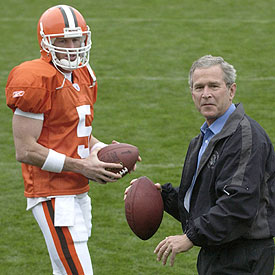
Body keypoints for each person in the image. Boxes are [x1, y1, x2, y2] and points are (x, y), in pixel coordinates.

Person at [126, 55, 275, 274]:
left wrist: (190, 237)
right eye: (199, 87)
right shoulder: (203, 139)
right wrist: (162, 196)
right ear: (192, 94)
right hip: (217, 252)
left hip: (244, 257)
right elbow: (205, 202)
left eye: (214, 86)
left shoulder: (245, 137)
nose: (206, 94)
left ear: (231, 90)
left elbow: (238, 204)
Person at [5, 5, 126, 275]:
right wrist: (84, 166)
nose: (72, 46)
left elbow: (75, 130)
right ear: (47, 43)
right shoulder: (37, 78)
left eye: (77, 39)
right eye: (63, 40)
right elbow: (25, 149)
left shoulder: (84, 75)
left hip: (76, 190)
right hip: (52, 193)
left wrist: (102, 149)